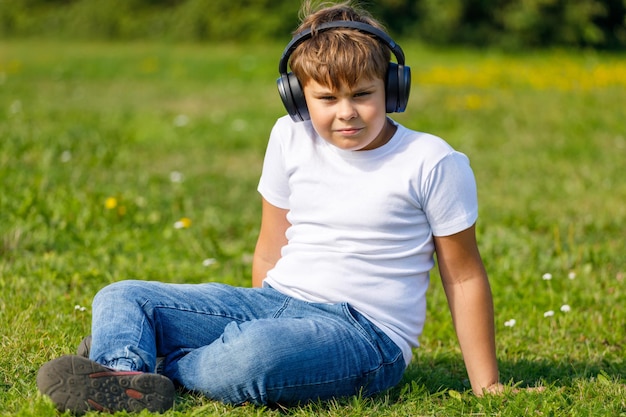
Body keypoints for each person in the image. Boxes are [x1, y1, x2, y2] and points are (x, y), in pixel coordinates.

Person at [37, 1, 502, 414]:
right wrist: (255, 316)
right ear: (298, 96)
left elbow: (463, 276)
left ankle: (154, 360)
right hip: (277, 302)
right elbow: (271, 242)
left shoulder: (433, 161)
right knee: (121, 295)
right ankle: (123, 376)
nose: (347, 112)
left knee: (254, 355)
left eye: (363, 94)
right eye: (326, 98)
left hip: (367, 336)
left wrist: (487, 386)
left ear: (393, 88)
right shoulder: (288, 135)